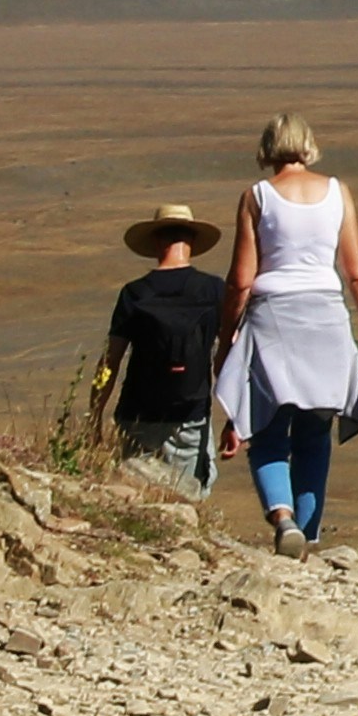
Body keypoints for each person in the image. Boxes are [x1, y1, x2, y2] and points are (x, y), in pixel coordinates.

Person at [209, 115, 358, 550]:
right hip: (327, 319)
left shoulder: (257, 197)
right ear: (309, 145)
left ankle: (284, 519)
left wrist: (226, 340)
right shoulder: (337, 193)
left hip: (273, 317)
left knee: (268, 427)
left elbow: (240, 280)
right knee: (314, 433)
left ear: (267, 148)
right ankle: (308, 538)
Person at [91, 202, 226, 499]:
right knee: (188, 500)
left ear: (155, 242)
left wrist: (95, 414)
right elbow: (231, 356)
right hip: (190, 417)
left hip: (136, 415)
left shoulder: (134, 293)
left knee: (135, 497)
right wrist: (238, 419)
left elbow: (109, 361)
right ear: (191, 242)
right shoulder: (214, 290)